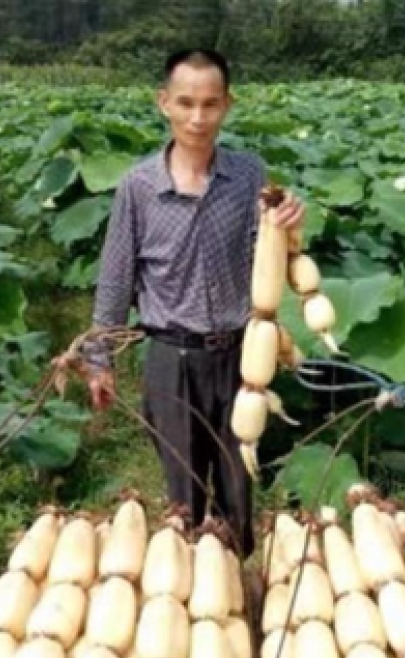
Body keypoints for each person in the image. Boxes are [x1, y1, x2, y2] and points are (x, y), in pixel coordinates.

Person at [84, 49, 305, 557]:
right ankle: (183, 604)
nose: (198, 118)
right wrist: (99, 359)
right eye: (186, 103)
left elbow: (272, 258)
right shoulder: (137, 188)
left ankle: (235, 598)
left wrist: (291, 224)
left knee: (238, 489)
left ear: (227, 104)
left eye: (210, 104)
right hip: (170, 357)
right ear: (164, 103)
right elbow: (116, 280)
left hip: (239, 357)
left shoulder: (249, 176)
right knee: (183, 500)